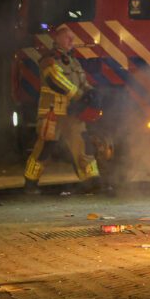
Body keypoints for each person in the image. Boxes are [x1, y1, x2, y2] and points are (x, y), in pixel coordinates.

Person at [23, 24, 102, 194]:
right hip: (52, 112)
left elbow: (82, 82)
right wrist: (80, 95)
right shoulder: (48, 60)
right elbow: (55, 80)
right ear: (57, 38)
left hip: (72, 112)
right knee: (45, 148)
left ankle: (91, 180)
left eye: (73, 38)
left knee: (83, 144)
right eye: (68, 38)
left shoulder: (73, 62)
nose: (72, 41)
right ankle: (30, 182)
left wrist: (91, 93)